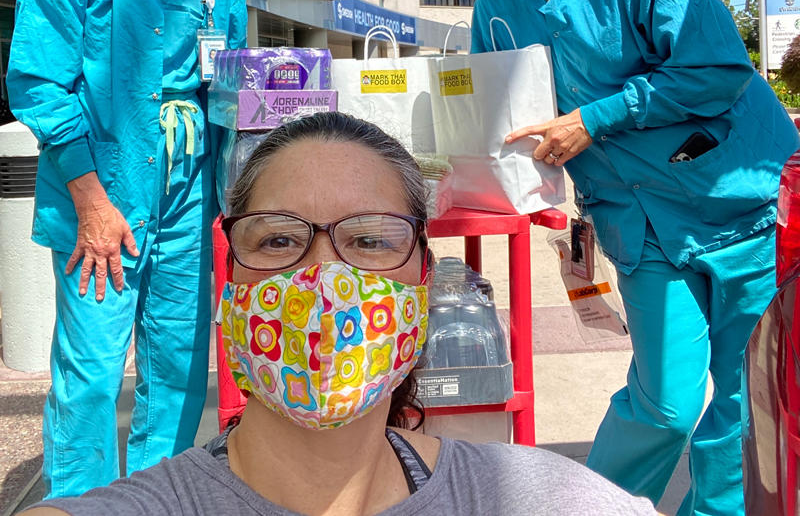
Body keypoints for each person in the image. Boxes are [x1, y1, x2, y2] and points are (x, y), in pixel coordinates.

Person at [22, 112, 658, 516]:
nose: (323, 279)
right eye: (277, 240)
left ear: (422, 286)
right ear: (230, 287)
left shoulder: (539, 498)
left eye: (372, 240)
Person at [470, 0, 800, 516]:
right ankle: (592, 507)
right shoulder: (496, 7)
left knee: (741, 402)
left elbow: (717, 69)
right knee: (666, 403)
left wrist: (596, 118)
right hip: (637, 225)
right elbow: (496, 107)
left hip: (740, 201)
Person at [7, 0, 248, 497]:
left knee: (178, 370)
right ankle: (79, 505)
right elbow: (39, 82)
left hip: (187, 197)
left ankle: (156, 502)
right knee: (90, 375)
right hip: (100, 189)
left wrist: (241, 199)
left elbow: (237, 92)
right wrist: (89, 200)